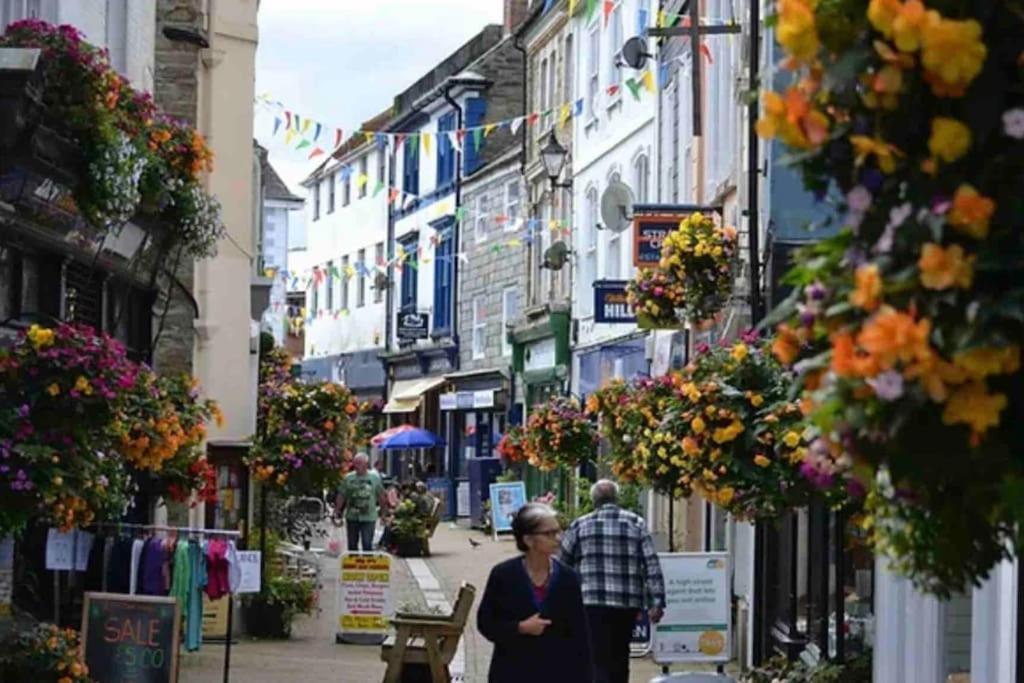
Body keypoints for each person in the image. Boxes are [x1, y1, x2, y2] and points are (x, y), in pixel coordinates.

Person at [560, 480, 665, 683]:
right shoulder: (636, 523)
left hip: (590, 602)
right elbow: (651, 564)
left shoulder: (580, 525)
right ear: (616, 498)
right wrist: (657, 602)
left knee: (596, 655)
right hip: (626, 603)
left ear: (593, 500)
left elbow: (563, 563)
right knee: (620, 654)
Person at [477, 503, 593, 683]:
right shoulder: (503, 575)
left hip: (558, 673)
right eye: (549, 534)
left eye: (559, 531)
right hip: (512, 672)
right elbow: (486, 623)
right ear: (528, 540)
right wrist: (520, 628)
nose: (558, 538)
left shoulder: (568, 578)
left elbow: (580, 636)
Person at [335, 452, 386, 552]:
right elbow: (342, 495)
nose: (356, 466)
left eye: (359, 463)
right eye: (355, 463)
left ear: (366, 465)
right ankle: (353, 567)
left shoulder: (374, 478)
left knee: (367, 544)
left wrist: (384, 512)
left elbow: (381, 496)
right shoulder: (349, 478)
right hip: (352, 516)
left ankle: (366, 566)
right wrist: (337, 510)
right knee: (352, 545)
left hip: (369, 517)